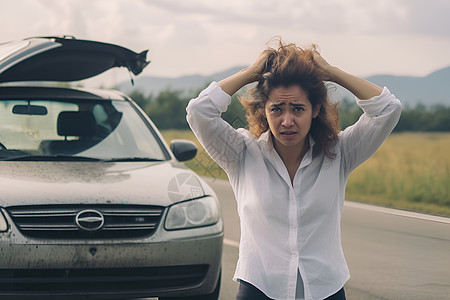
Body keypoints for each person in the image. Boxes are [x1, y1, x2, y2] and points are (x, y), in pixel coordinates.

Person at [186, 41, 402, 300]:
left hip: (325, 288)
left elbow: (389, 109)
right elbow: (199, 112)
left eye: (298, 108)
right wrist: (252, 72)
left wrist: (332, 73)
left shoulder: (340, 152)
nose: (287, 121)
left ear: (316, 110)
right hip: (259, 287)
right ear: (264, 112)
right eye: (276, 109)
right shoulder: (242, 153)